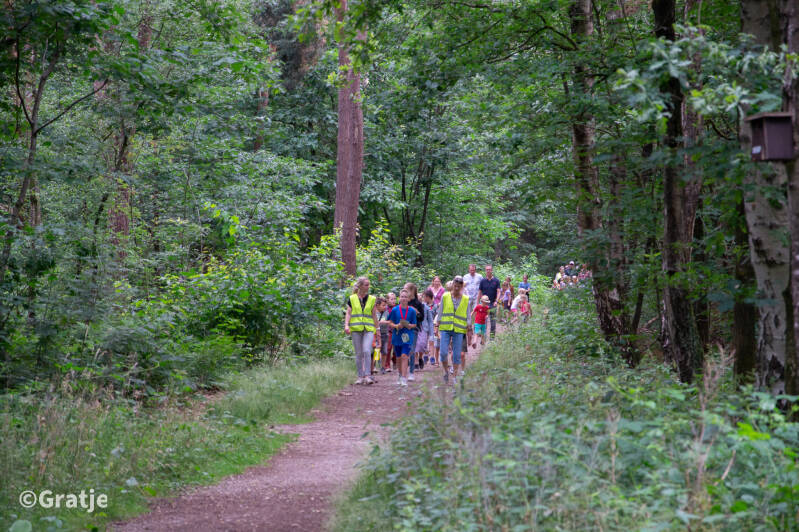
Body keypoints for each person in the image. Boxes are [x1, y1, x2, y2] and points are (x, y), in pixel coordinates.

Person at [344, 276, 380, 385]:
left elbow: (374, 315)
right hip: (355, 329)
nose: (368, 287)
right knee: (359, 353)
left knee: (367, 351)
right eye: (366, 285)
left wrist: (377, 328)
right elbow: (349, 313)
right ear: (360, 286)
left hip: (369, 329)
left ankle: (368, 375)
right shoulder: (352, 298)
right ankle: (360, 376)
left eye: (369, 284)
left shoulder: (372, 299)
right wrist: (346, 325)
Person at [435, 276, 469, 386]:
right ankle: (445, 371)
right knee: (443, 353)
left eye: (459, 287)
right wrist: (436, 326)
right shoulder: (445, 296)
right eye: (455, 286)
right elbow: (440, 312)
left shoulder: (465, 299)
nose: (457, 288)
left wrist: (469, 329)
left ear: (462, 286)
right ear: (453, 285)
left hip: (459, 329)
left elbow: (468, 315)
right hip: (445, 328)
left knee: (457, 355)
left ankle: (454, 376)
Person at [388, 289, 417, 387]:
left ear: (408, 299)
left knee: (405, 356)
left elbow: (414, 324)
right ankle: (400, 375)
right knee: (399, 357)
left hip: (408, 336)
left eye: (405, 297)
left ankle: (404, 378)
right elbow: (390, 322)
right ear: (399, 298)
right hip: (397, 336)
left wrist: (409, 326)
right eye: (402, 297)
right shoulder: (395, 309)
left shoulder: (412, 311)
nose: (403, 298)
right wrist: (396, 326)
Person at [404, 282, 425, 377]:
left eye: (406, 289)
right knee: (404, 349)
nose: (404, 291)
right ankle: (402, 372)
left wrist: (416, 312)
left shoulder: (418, 303)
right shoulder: (403, 302)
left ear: (412, 291)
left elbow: (422, 318)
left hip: (414, 329)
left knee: (412, 349)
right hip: (403, 328)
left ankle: (411, 371)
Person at [477, 265, 501, 340]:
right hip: (484, 304)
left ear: (492, 270)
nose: (488, 271)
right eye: (487, 270)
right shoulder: (483, 281)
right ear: (485, 271)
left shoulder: (496, 281)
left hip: (493, 303)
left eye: (489, 269)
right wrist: (478, 303)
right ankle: (483, 339)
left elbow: (499, 292)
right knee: (483, 322)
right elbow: (479, 292)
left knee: (493, 323)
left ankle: (492, 339)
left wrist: (496, 301)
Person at [462, 264, 483, 348]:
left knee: (476, 314)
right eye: (471, 270)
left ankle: (476, 331)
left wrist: (482, 296)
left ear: (475, 269)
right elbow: (462, 287)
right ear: (469, 269)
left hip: (476, 298)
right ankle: (469, 332)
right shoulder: (465, 277)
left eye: (473, 270)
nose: (472, 271)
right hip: (467, 298)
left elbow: (482, 287)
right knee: (468, 315)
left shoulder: (479, 276)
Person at [418, 288, 435, 367]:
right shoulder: (412, 307)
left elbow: (431, 321)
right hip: (415, 328)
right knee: (415, 345)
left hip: (424, 329)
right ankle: (415, 361)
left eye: (421, 297)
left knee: (422, 344)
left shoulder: (426, 308)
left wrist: (432, 333)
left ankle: (421, 357)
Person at [377, 297, 392, 374]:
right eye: (383, 305)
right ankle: (374, 366)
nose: (385, 307)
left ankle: (383, 367)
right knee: (376, 350)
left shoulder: (386, 312)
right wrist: (382, 322)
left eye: (385, 305)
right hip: (376, 334)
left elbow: (390, 321)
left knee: (385, 351)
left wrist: (384, 322)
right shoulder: (374, 313)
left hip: (385, 334)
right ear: (377, 305)